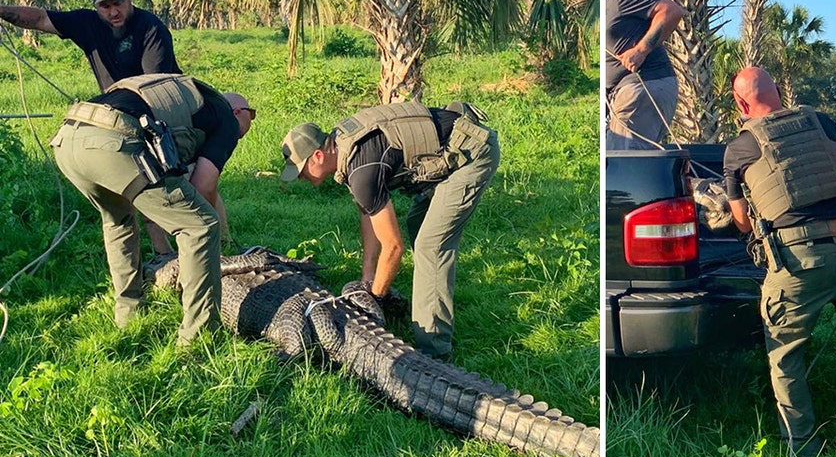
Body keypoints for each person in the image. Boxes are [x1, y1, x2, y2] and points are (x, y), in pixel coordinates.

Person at [722, 67, 836, 457]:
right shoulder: (821, 122)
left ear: (740, 103)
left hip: (798, 263)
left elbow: (740, 221)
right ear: (779, 92)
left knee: (785, 355)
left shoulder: (739, 148)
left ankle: (803, 448)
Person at [279, 101, 499, 359]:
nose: (301, 177)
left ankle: (434, 351)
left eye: (301, 169)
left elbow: (394, 247)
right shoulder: (346, 147)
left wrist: (375, 298)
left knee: (431, 246)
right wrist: (367, 279)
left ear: (318, 156)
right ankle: (429, 298)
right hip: (449, 152)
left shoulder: (360, 170)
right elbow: (368, 213)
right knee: (417, 222)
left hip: (471, 154)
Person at [48, 73, 250, 345]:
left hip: (69, 139)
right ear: (238, 112)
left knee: (117, 220)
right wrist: (209, 238)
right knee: (200, 226)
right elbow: (204, 185)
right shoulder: (225, 118)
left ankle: (128, 315)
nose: (238, 138)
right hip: (113, 141)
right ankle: (199, 336)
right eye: (246, 126)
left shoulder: (185, 95)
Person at [0, 0, 181, 92]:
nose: (113, 12)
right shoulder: (87, 23)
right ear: (95, 4)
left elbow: (154, 87)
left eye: (118, 3)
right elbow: (40, 18)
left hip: (162, 103)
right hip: (116, 106)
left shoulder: (151, 28)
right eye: (105, 6)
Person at [145, 93, 256, 255]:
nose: (252, 119)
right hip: (159, 144)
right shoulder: (228, 120)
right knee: (198, 186)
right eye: (251, 113)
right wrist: (208, 227)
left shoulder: (203, 113)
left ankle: (164, 253)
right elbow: (204, 186)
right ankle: (206, 246)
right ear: (237, 112)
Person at [605, 0, 685, 150]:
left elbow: (671, 11)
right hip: (621, 92)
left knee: (623, 161)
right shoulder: (598, 3)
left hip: (644, 84)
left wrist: (641, 50)